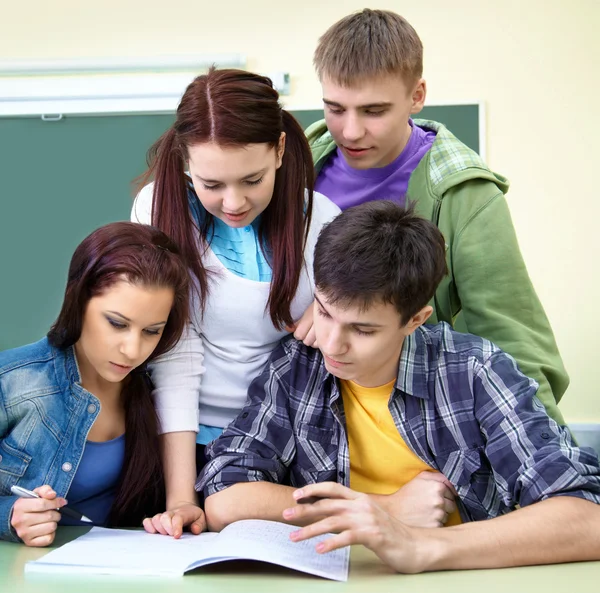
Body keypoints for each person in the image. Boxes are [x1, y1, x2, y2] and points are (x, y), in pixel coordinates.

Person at [198, 201, 600, 573]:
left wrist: (421, 545)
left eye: (364, 329)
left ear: (415, 320)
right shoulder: (297, 365)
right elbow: (224, 499)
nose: (332, 344)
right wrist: (385, 509)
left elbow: (586, 518)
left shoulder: (475, 371)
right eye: (323, 312)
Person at [302, 9, 568, 425]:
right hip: (308, 411)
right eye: (335, 108)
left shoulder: (464, 194)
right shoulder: (294, 168)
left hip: (418, 419)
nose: (350, 131)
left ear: (417, 94)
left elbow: (512, 339)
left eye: (373, 111)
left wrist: (550, 465)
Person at [131, 67, 340, 537]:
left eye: (252, 179)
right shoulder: (156, 209)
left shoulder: (324, 220)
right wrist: (182, 498)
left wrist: (331, 308)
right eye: (211, 184)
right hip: (183, 443)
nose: (233, 202)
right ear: (186, 163)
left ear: (281, 150)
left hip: (288, 449)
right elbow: (176, 353)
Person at [0, 222, 191, 546]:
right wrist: (8, 514)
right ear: (79, 301)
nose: (133, 350)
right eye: (117, 323)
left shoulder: (162, 392)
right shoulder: (15, 380)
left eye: (151, 331)